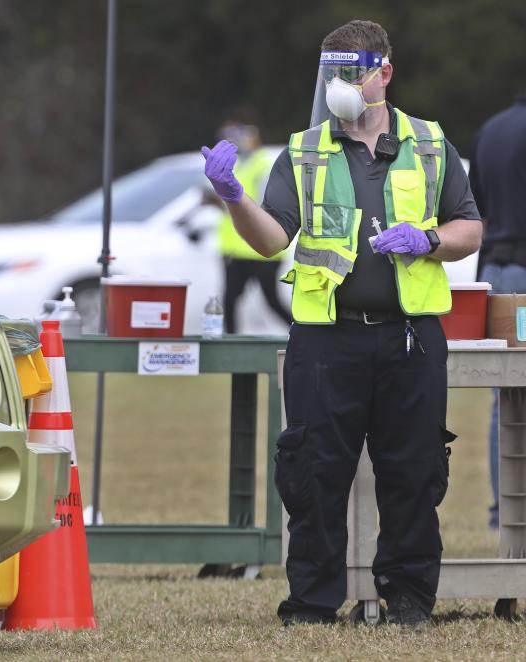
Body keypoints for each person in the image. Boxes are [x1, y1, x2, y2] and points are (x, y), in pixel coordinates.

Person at [201, 20, 482, 626]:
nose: (341, 86)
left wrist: (429, 238)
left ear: (385, 72)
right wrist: (233, 196)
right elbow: (273, 237)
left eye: (353, 73)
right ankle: (312, 603)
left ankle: (407, 601)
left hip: (410, 339)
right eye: (332, 74)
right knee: (313, 472)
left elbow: (469, 227)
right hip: (327, 339)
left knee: (413, 472)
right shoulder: (304, 151)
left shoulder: (431, 143)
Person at [468, 96, 526, 530]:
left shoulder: (490, 129)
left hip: (496, 273)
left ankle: (500, 508)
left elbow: (477, 211)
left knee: (501, 398)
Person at [212, 117, 292, 333]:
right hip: (237, 250)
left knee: (271, 301)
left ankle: (303, 334)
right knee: (229, 301)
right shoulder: (237, 165)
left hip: (261, 250)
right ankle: (232, 350)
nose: (237, 140)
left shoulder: (263, 165)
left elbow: (264, 205)